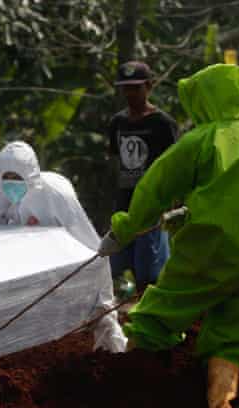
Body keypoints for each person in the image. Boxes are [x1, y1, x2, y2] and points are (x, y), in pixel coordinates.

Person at [97, 64, 239, 408]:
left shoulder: (203, 140)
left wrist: (124, 229)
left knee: (155, 317)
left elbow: (154, 189)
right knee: (230, 335)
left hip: (209, 254)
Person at [0, 141, 127, 353]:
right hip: (20, 257)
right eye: (6, 178)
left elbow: (89, 246)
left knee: (97, 314)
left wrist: (100, 294)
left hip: (62, 254)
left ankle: (114, 350)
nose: (11, 183)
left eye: (17, 178)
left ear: (31, 176)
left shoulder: (55, 195)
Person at [107, 61, 178, 293]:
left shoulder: (162, 124)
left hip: (151, 209)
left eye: (135, 88)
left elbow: (173, 166)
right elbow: (117, 163)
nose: (129, 94)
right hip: (124, 209)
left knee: (148, 274)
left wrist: (169, 203)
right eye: (125, 88)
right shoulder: (117, 123)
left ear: (149, 86)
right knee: (113, 268)